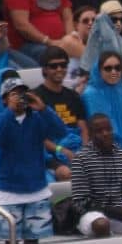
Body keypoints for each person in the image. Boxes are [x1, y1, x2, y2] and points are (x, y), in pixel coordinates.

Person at [0, 77, 66, 244]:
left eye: (22, 93)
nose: (20, 97)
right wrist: (9, 111)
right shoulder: (0, 119)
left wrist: (43, 109)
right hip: (10, 192)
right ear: (4, 99)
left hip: (36, 190)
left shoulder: (38, 119)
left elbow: (60, 131)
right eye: (14, 94)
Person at [68, 113, 122, 237]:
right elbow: (81, 202)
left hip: (120, 211)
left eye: (108, 130)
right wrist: (115, 212)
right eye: (99, 131)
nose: (105, 134)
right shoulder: (81, 158)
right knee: (102, 224)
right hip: (91, 214)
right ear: (90, 134)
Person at [32, 47, 87, 176]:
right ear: (45, 69)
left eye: (63, 65)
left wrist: (84, 152)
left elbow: (83, 128)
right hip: (49, 153)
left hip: (76, 148)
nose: (59, 69)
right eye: (54, 66)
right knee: (67, 173)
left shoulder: (73, 96)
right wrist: (60, 149)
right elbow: (36, 136)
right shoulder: (35, 97)